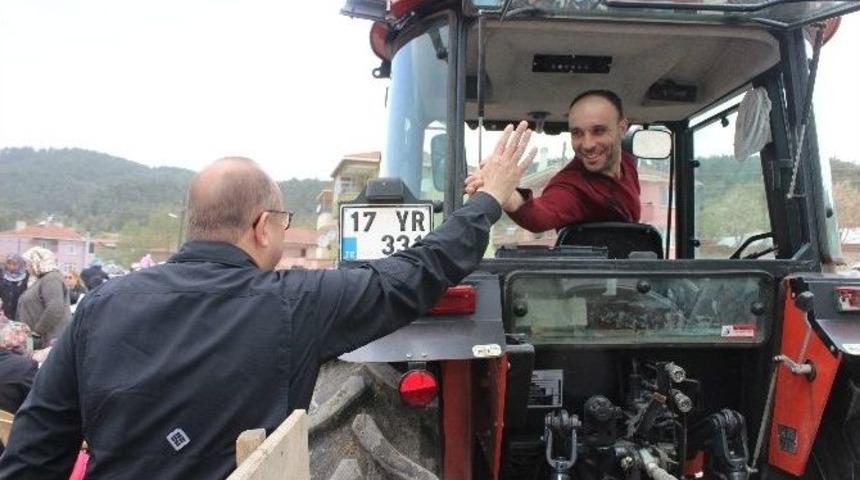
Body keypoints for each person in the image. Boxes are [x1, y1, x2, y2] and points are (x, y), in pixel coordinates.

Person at [0, 123, 537, 479]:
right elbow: (414, 274)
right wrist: (488, 202)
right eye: (282, 223)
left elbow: (34, 451)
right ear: (261, 227)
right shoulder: (295, 303)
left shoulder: (97, 308)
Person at [466, 90, 640, 233]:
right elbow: (540, 215)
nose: (587, 144)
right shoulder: (571, 185)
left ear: (622, 128)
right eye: (577, 133)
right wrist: (507, 195)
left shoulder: (628, 164)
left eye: (599, 131)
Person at [16, 247, 70, 349]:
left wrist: (37, 331)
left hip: (47, 340)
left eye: (29, 264)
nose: (27, 267)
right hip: (38, 339)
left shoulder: (52, 278)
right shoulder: (41, 279)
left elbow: (55, 308)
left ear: (37, 262)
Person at [0, 254, 28, 321]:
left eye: (15, 264)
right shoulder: (2, 275)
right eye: (9, 264)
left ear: (20, 264)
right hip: (3, 314)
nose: (11, 266)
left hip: (19, 314)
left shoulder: (26, 277)